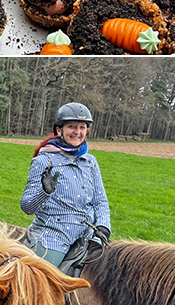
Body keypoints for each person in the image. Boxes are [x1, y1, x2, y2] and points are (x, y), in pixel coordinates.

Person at [20, 103, 110, 273]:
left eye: (82, 127)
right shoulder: (43, 161)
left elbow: (100, 201)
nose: (77, 132)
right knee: (42, 288)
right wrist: (44, 192)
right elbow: (27, 207)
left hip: (88, 236)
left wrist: (104, 227)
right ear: (59, 130)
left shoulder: (90, 162)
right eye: (71, 127)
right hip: (53, 237)